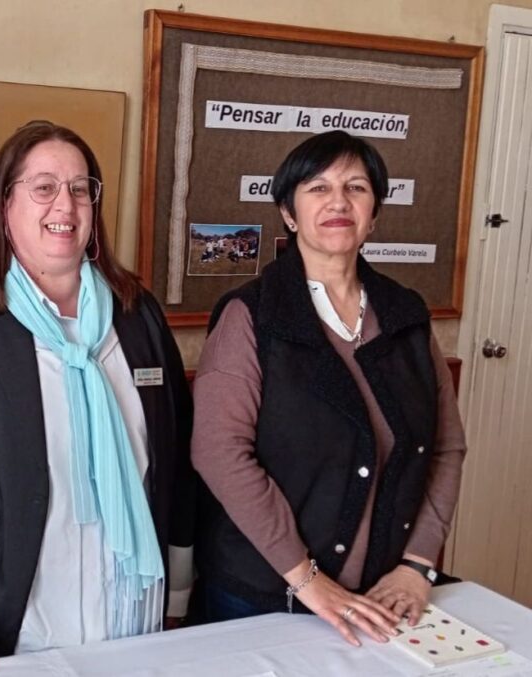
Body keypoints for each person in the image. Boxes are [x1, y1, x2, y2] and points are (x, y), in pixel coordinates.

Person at [0, 121, 196, 677]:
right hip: (12, 628)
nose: (67, 204)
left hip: (137, 619)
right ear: (4, 206)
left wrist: (177, 595)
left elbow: (175, 465)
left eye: (81, 188)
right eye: (45, 186)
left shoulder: (137, 314)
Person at [190, 131, 466, 647]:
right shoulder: (251, 315)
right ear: (289, 214)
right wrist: (309, 581)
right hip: (262, 596)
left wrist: (417, 564)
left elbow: (446, 449)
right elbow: (218, 452)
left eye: (356, 187)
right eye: (317, 188)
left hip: (382, 595)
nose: (338, 201)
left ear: (374, 212)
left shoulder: (406, 315)